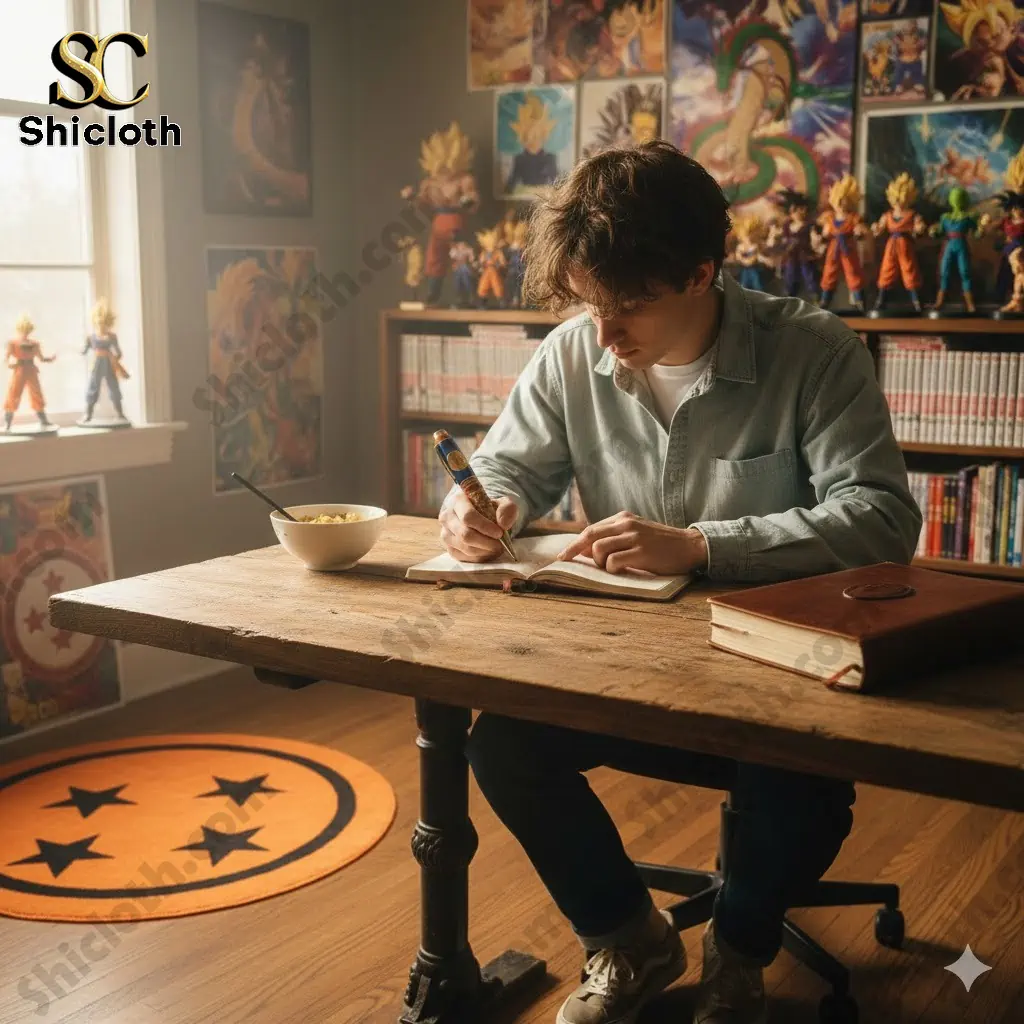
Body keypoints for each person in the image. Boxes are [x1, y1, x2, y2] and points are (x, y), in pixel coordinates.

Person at [438, 141, 921, 1024]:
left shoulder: (812, 353)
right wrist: (481, 508)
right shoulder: (572, 353)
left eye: (627, 309)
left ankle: (738, 951)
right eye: (588, 307)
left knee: (802, 792)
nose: (603, 336)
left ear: (704, 273)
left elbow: (883, 521)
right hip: (624, 669)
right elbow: (505, 469)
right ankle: (628, 938)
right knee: (500, 745)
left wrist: (702, 545)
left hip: (776, 672)